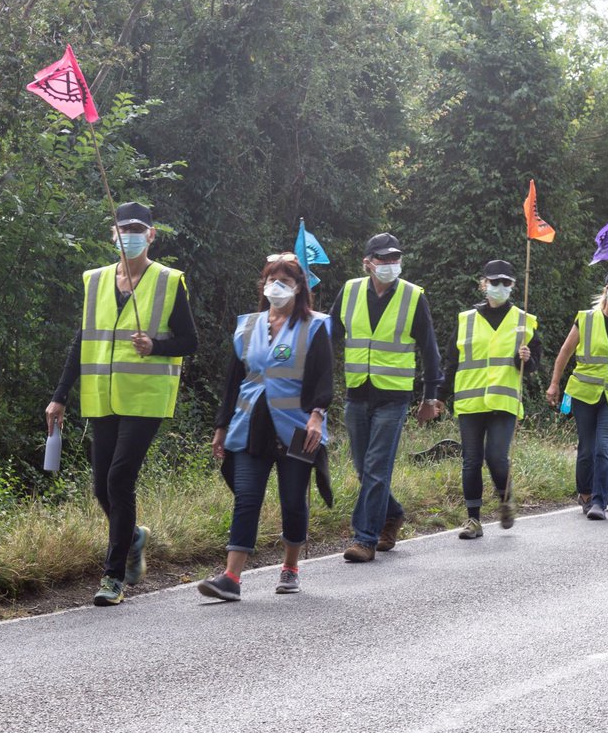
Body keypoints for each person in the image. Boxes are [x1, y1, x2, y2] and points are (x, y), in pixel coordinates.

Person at [45, 202, 198, 606]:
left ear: (151, 235)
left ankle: (113, 578)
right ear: (112, 235)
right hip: (101, 396)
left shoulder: (169, 280)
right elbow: (82, 341)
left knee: (119, 480)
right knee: (101, 487)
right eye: (122, 228)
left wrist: (156, 345)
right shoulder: (95, 281)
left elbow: (190, 341)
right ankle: (132, 537)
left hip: (146, 398)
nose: (128, 234)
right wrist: (60, 396)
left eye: (137, 229)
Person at [198, 255, 333, 601]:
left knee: (292, 500)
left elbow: (323, 376)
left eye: (285, 282)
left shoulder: (315, 326)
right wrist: (221, 426)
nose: (277, 287)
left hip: (297, 428)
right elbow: (232, 381)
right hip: (249, 426)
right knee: (246, 498)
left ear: (299, 288)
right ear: (262, 286)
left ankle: (290, 568)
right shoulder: (247, 326)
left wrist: (317, 415)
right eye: (271, 281)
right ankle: (231, 577)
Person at [331, 233, 443, 562]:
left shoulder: (413, 296)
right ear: (367, 263)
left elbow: (429, 351)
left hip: (394, 398)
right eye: (383, 259)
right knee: (362, 469)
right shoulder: (350, 291)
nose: (390, 265)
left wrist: (429, 397)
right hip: (357, 393)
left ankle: (364, 538)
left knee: (377, 468)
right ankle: (392, 513)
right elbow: (330, 337)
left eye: (395, 259)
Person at [445, 260, 541, 539]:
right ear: (483, 283)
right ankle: (473, 520)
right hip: (470, 401)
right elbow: (452, 360)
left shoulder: (524, 320)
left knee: (496, 457)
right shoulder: (466, 319)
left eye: (505, 283)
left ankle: (505, 498)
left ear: (513, 286)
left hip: (503, 400)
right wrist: (437, 397)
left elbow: (535, 362)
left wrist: (526, 359)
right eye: (494, 282)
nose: (499, 287)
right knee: (471, 460)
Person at [547, 271, 608, 520]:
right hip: (585, 393)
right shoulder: (586, 319)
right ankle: (586, 494)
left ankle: (600, 501)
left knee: (604, 446)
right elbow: (565, 353)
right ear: (606, 291)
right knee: (587, 448)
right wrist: (554, 384)